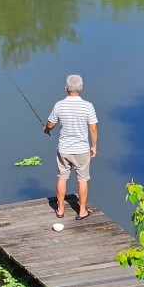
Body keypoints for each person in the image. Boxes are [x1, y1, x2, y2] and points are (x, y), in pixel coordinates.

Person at [42, 74, 98, 220]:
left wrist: (46, 130)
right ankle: (82, 211)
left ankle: (60, 210)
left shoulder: (59, 105)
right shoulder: (88, 106)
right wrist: (94, 146)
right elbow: (93, 128)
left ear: (66, 88)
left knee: (62, 177)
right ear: (82, 88)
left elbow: (50, 124)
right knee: (83, 179)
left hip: (64, 150)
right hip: (81, 150)